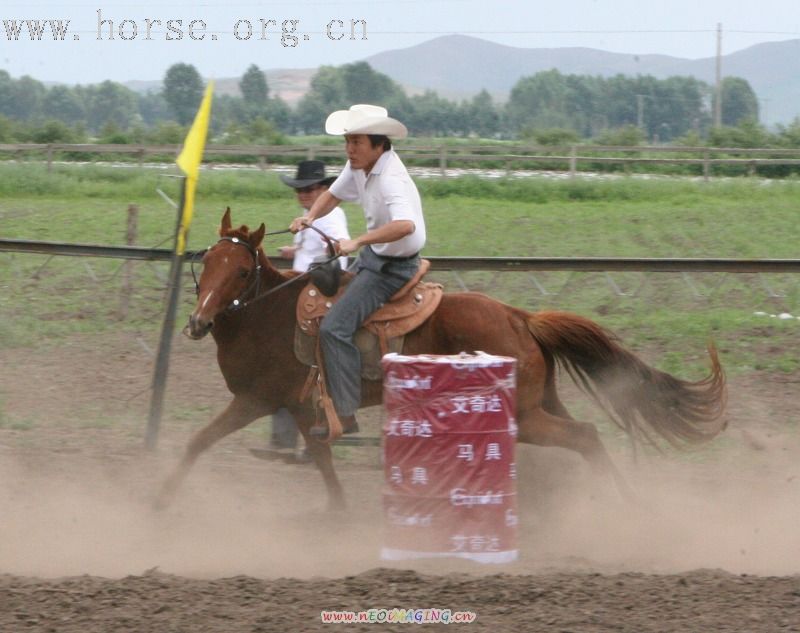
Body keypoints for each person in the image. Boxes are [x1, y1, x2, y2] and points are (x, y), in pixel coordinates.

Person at [290, 104, 426, 439]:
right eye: (348, 141)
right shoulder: (359, 167)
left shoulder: (392, 177)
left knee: (334, 327)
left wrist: (357, 241)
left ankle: (346, 413)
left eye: (357, 142)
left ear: (379, 144)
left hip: (391, 269)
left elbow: (406, 225)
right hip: (374, 257)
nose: (350, 149)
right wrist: (310, 217)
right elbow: (332, 195)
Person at [267, 160, 351, 460]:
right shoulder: (310, 216)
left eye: (309, 189)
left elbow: (338, 250)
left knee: (298, 364)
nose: (303, 195)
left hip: (314, 296)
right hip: (300, 293)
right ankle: (288, 440)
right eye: (299, 190)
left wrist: (328, 261)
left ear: (324, 189)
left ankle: (297, 439)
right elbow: (314, 246)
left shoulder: (332, 217)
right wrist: (296, 250)